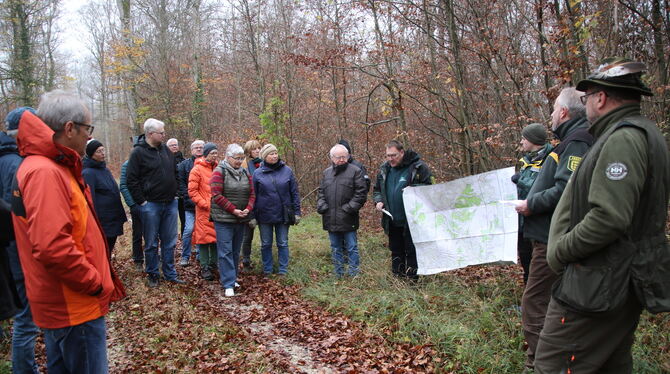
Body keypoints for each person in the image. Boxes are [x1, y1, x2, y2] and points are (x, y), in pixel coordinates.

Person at [535, 59, 670, 373]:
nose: (587, 106)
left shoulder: (623, 139)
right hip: (614, 279)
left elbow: (609, 217)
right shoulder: (641, 133)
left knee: (553, 366)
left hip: (597, 284)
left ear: (601, 97)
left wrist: (562, 250)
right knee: (609, 365)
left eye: (587, 98)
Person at [11, 90, 125, 373]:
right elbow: (52, 246)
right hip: (73, 304)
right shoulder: (44, 172)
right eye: (88, 128)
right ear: (69, 128)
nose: (90, 136)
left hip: (71, 303)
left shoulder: (51, 166)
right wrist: (93, 282)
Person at [514, 87, 593, 371]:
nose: (550, 115)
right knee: (550, 302)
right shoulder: (570, 142)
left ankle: (541, 364)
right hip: (551, 236)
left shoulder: (577, 142)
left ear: (563, 112)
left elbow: (565, 190)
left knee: (534, 303)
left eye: (553, 109)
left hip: (553, 238)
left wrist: (531, 204)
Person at [1, 107, 40, 373]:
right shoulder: (17, 165)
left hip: (9, 250)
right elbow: (19, 215)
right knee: (27, 319)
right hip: (17, 250)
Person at [126, 118, 184, 287]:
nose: (164, 135)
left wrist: (176, 193)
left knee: (170, 241)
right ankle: (152, 273)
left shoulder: (165, 150)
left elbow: (175, 172)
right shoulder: (138, 153)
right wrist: (142, 202)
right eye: (161, 133)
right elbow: (131, 180)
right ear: (150, 134)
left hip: (170, 203)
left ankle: (169, 273)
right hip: (150, 205)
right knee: (151, 242)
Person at [373, 140, 432, 280]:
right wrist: (378, 200)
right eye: (388, 155)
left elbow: (430, 189)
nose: (390, 159)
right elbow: (377, 190)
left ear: (402, 152)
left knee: (411, 251)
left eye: (393, 155)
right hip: (392, 219)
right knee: (396, 250)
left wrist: (413, 190)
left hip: (412, 220)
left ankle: (412, 281)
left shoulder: (418, 167)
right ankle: (397, 279)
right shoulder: (384, 169)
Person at [511, 123, 553, 285]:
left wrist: (520, 179)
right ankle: (527, 302)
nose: (521, 142)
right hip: (522, 222)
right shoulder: (527, 160)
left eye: (524, 138)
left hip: (538, 223)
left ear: (533, 140)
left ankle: (536, 304)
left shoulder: (550, 159)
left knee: (538, 267)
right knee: (526, 262)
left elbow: (542, 186)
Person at [211, 144, 256, 296]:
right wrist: (233, 210)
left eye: (241, 158)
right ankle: (228, 283)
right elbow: (216, 195)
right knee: (225, 251)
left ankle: (232, 277)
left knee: (236, 251)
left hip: (241, 218)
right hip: (223, 219)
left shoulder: (245, 172)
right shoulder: (219, 171)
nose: (239, 161)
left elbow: (252, 194)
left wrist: (248, 209)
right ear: (227, 157)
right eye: (236, 158)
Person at [317, 144, 367, 277]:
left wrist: (348, 208)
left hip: (348, 217)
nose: (342, 159)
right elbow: (321, 192)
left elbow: (361, 194)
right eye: (338, 157)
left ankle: (353, 273)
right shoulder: (326, 173)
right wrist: (321, 205)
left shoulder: (355, 171)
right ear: (332, 158)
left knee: (351, 247)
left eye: (344, 156)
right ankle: (338, 272)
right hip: (330, 217)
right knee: (335, 247)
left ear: (348, 156)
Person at [253, 144, 300, 277]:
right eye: (271, 154)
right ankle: (267, 269)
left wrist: (297, 212)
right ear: (264, 156)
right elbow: (253, 196)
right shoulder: (257, 173)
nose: (274, 156)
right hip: (264, 214)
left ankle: (283, 270)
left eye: (275, 153)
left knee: (283, 243)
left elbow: (294, 193)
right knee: (266, 243)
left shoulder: (287, 171)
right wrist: (252, 215)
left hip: (283, 213)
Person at [82, 139, 127, 256]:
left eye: (103, 150)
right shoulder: (88, 173)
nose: (103, 153)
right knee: (102, 251)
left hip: (113, 218)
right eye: (98, 151)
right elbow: (89, 199)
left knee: (108, 249)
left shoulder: (104, 169)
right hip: (102, 221)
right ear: (91, 154)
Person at [188, 142, 218, 281]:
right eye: (212, 153)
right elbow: (192, 191)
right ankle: (205, 266)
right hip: (204, 210)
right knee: (204, 239)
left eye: (216, 153)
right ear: (206, 154)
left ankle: (215, 264)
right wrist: (204, 203)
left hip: (218, 209)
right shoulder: (197, 169)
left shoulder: (219, 168)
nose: (215, 156)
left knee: (217, 238)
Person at [177, 140, 205, 266]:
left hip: (205, 206)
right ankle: (185, 256)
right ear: (191, 150)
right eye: (196, 148)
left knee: (202, 230)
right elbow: (181, 184)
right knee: (188, 230)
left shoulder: (209, 164)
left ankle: (200, 254)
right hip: (189, 205)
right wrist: (191, 199)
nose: (199, 149)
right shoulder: (184, 165)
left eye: (201, 147)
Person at [120, 136, 144, 271]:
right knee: (137, 233)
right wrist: (133, 205)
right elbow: (123, 185)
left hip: (150, 205)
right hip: (136, 205)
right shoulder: (127, 165)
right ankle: (138, 259)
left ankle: (153, 258)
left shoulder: (147, 163)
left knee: (152, 234)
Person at [240, 139, 262, 270]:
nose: (257, 151)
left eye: (259, 148)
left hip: (263, 204)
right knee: (247, 235)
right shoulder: (244, 165)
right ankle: (246, 260)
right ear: (248, 152)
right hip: (249, 204)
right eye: (254, 149)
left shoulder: (264, 163)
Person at [167, 137, 186, 237]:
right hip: (171, 196)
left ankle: (184, 240)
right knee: (171, 222)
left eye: (175, 145)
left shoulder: (184, 161)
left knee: (185, 220)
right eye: (171, 145)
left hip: (183, 195)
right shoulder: (164, 160)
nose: (174, 146)